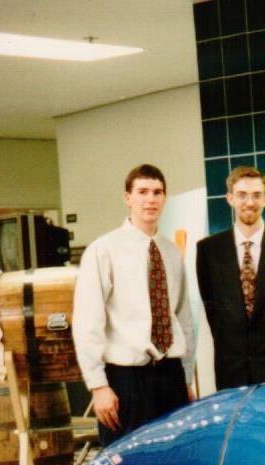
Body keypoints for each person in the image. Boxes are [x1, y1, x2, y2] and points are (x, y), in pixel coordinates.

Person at [73, 164, 194, 446]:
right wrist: (98, 385)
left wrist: (186, 378)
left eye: (157, 192)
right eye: (142, 192)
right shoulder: (103, 250)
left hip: (171, 375)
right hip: (126, 379)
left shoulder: (171, 252)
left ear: (165, 198)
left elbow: (183, 317)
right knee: (126, 461)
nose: (150, 199)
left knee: (173, 458)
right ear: (128, 198)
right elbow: (88, 322)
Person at [196, 165, 265, 390]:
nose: (249, 202)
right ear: (230, 198)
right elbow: (214, 315)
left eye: (256, 195)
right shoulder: (209, 251)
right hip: (231, 373)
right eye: (242, 195)